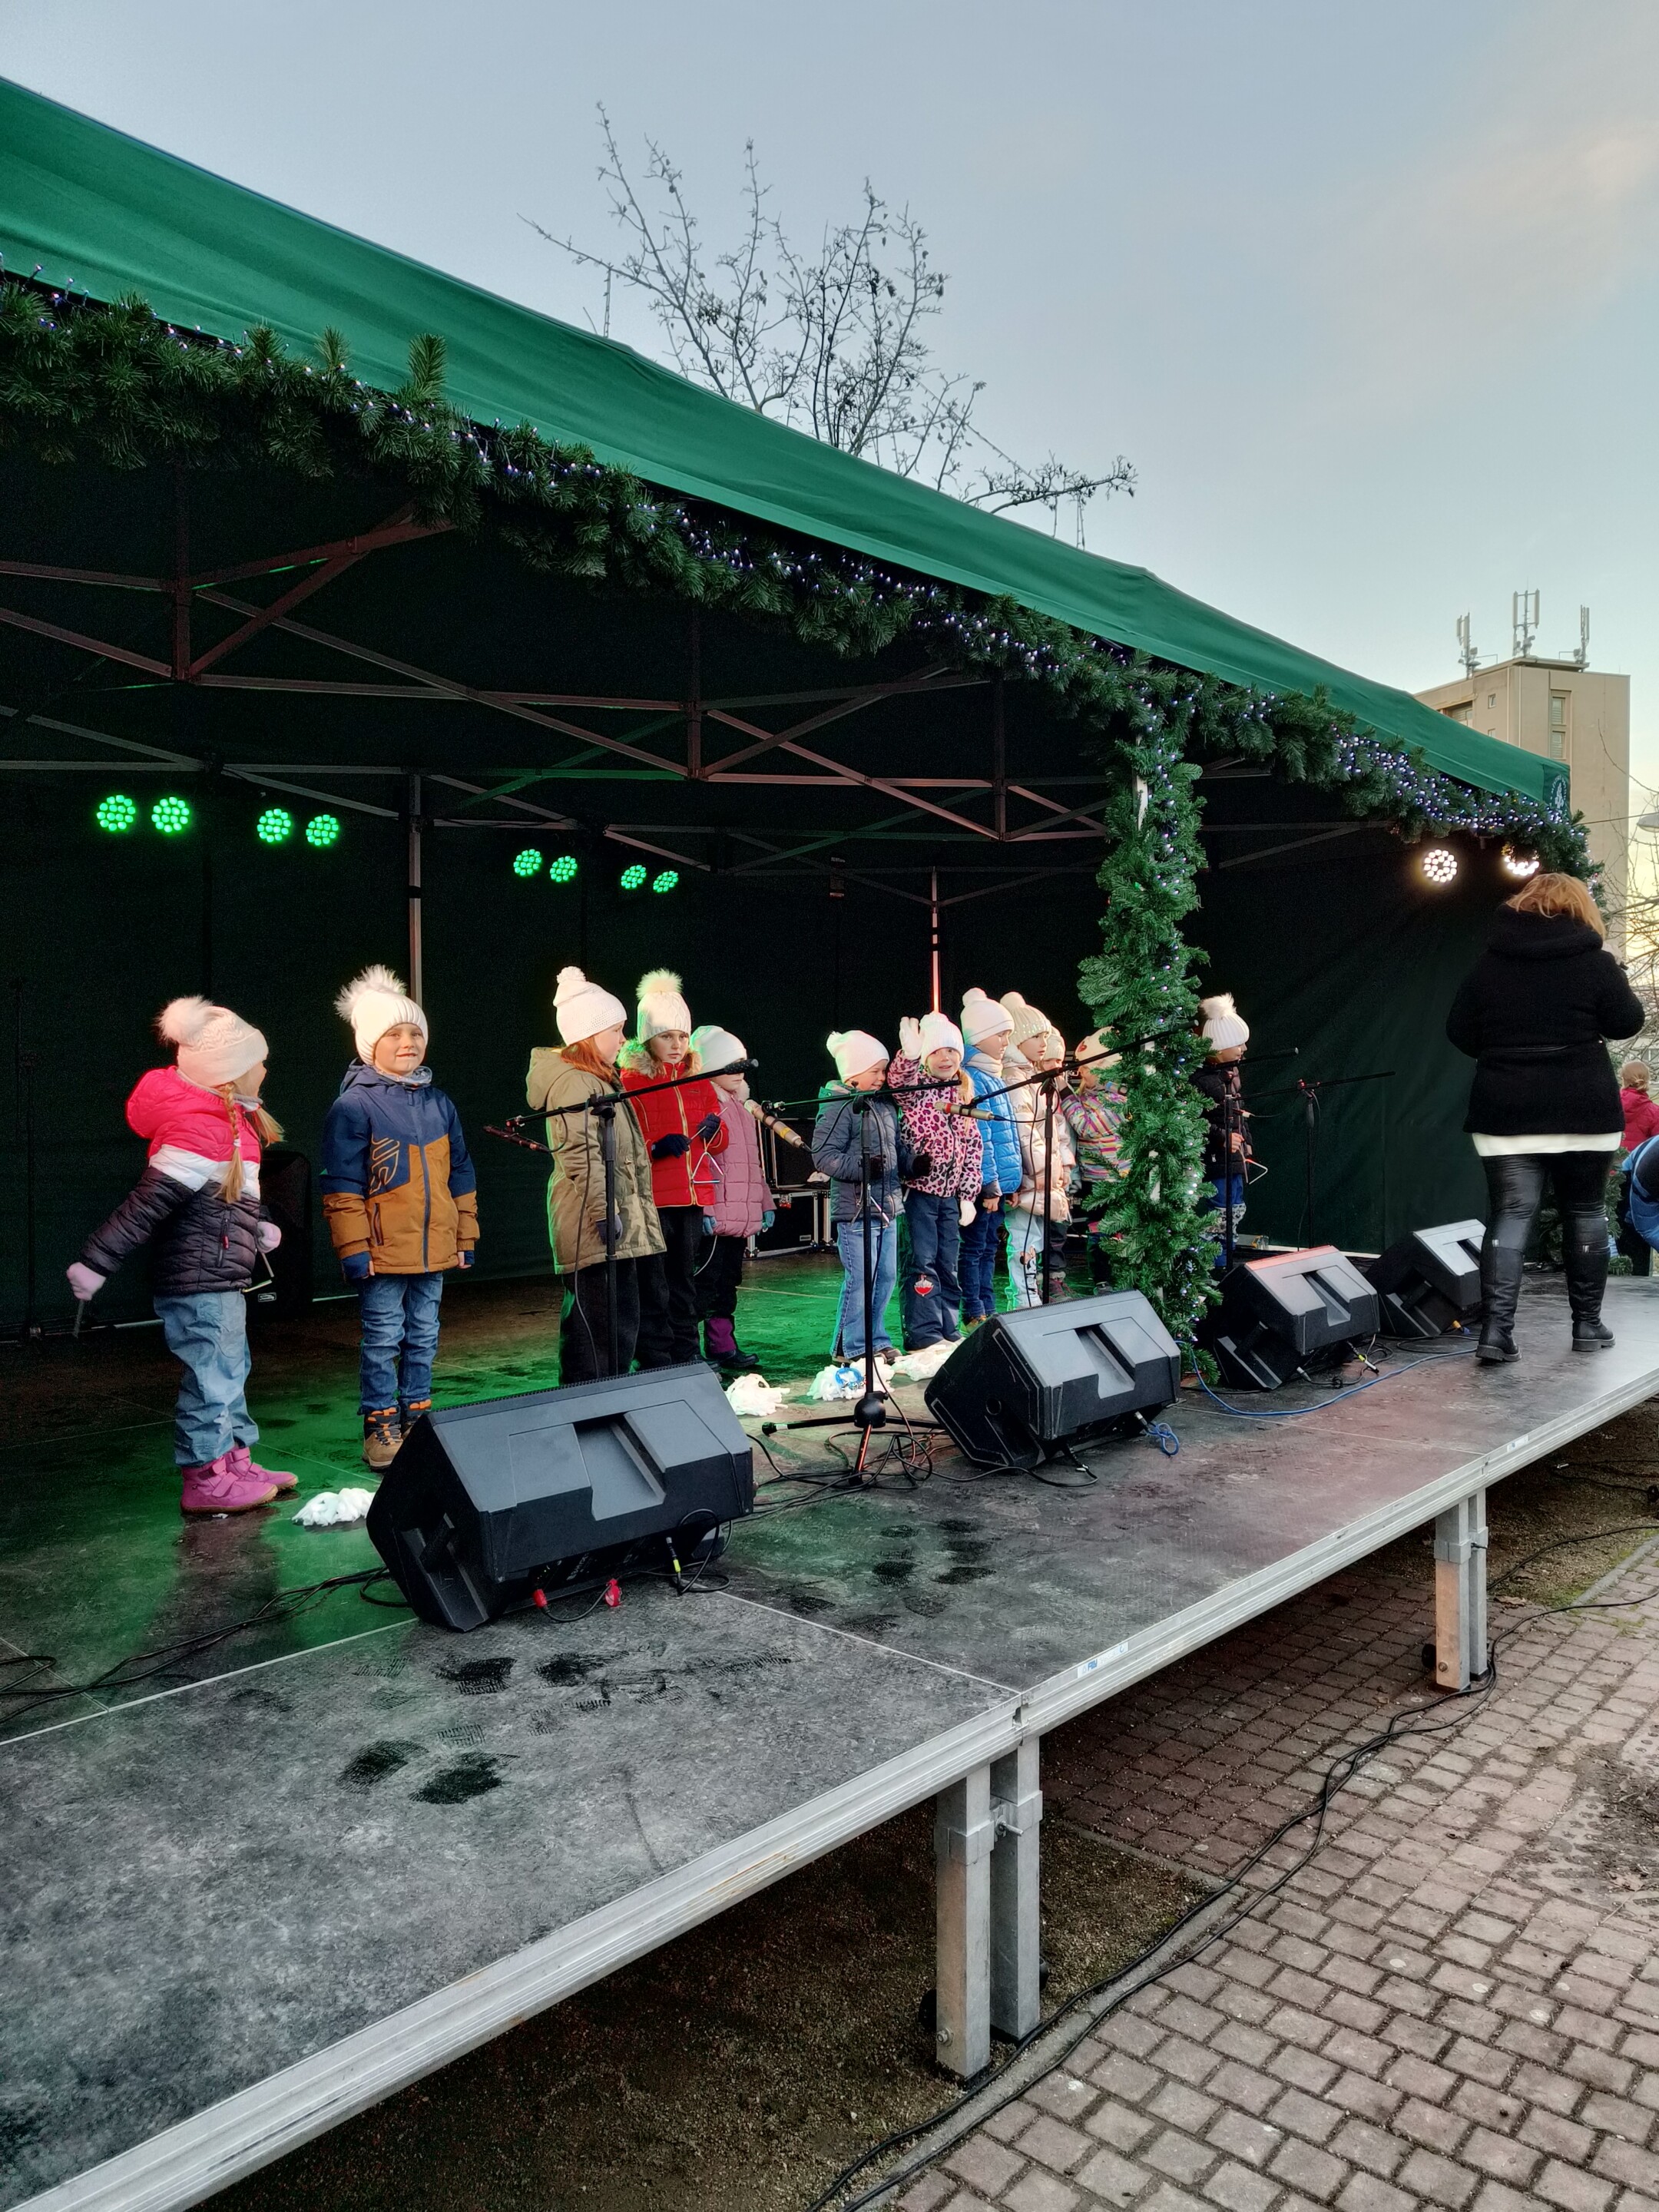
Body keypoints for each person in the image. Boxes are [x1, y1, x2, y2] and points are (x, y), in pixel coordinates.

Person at [65, 997, 293, 1514]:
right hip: (198, 1284)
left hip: (220, 1276)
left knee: (230, 1371)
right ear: (230, 1072)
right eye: (258, 1061)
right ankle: (205, 1477)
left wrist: (257, 1224)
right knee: (211, 1378)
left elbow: (225, 1198)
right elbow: (145, 1207)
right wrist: (96, 1262)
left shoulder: (232, 1123)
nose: (265, 1069)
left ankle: (235, 1461)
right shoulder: (198, 1132)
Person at [1445, 872, 1643, 1363]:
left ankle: (1496, 1333)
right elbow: (1627, 1023)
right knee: (1586, 1211)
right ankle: (1588, 1325)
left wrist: (1503, 1053)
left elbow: (1459, 1031)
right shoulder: (1596, 962)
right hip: (1584, 1106)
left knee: (1511, 1214)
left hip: (1505, 1107)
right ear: (1580, 910)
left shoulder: (1489, 965)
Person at [322, 967, 478, 1470]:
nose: (408, 1042)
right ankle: (380, 1425)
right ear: (370, 1044)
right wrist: (354, 1247)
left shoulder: (440, 1103)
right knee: (383, 1339)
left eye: (415, 1033)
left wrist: (464, 1234)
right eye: (394, 1034)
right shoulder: (354, 1105)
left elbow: (461, 1171)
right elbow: (342, 1184)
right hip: (383, 1253)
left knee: (424, 1336)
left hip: (433, 1250)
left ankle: (418, 1419)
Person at [526, 967, 664, 1384]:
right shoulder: (574, 1084)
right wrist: (606, 1212)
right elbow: (581, 1155)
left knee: (617, 1325)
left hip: (613, 1218)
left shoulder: (599, 1080)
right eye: (616, 1031)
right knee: (596, 1329)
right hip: (592, 1221)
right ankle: (588, 1403)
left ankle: (611, 1397)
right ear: (589, 1034)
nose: (623, 1040)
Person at [621, 971, 729, 1369]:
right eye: (667, 1036)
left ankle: (686, 1353)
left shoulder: (697, 1081)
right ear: (647, 1038)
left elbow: (719, 1142)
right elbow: (626, 1143)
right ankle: (655, 1357)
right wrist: (656, 1146)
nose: (677, 1045)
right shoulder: (631, 1082)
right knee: (654, 1283)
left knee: (684, 1282)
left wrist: (715, 1132)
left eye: (683, 1036)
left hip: (691, 1196)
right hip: (653, 1200)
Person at [812, 1029, 919, 1363]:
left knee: (885, 1277)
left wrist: (912, 1163)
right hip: (856, 1210)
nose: (882, 1077)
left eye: (883, 1070)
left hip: (886, 1206)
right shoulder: (838, 1106)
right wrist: (864, 1166)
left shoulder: (883, 1106)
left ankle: (876, 1338)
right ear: (853, 1073)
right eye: (876, 1071)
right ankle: (851, 1345)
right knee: (861, 1278)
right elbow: (824, 1156)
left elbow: (894, 1150)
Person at [889, 1010, 982, 1349]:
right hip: (919, 1194)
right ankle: (924, 1332)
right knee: (922, 1263)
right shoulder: (917, 1091)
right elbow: (899, 1081)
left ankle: (948, 1326)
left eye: (952, 1051)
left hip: (950, 1197)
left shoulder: (962, 1096)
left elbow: (973, 1147)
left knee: (947, 1263)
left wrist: (968, 1195)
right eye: (937, 1051)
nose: (946, 1058)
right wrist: (909, 1055)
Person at [689, 1022, 770, 1372]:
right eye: (730, 1065)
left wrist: (765, 1201)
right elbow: (699, 1163)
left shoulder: (742, 1107)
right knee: (702, 1283)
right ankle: (689, 1350)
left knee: (727, 1283)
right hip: (716, 1215)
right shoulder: (707, 1106)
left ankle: (723, 1345)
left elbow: (753, 1163)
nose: (739, 1072)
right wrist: (706, 1208)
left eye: (742, 1065)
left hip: (738, 1216)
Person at [999, 994, 1075, 1306]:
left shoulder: (1032, 1078)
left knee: (1034, 1239)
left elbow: (1054, 1128)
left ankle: (1029, 1296)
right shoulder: (1015, 1079)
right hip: (1029, 1176)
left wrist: (1062, 1167)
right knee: (1023, 1238)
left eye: (1045, 1037)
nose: (1044, 1043)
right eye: (1036, 1037)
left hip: (1041, 1175)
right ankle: (1023, 1300)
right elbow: (1024, 1132)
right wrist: (1044, 1170)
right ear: (1018, 1039)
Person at [959, 988, 1022, 1324]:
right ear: (979, 1036)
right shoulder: (973, 1078)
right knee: (974, 1249)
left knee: (987, 1249)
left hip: (998, 1185)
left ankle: (988, 1307)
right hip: (984, 1186)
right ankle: (974, 1309)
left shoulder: (994, 1076)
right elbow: (981, 1138)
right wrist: (990, 1184)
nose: (1005, 1042)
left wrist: (1011, 1182)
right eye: (1000, 1035)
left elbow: (1006, 1137)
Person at [1063, 1030, 1129, 1285]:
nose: (1081, 1072)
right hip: (1092, 1178)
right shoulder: (1086, 1096)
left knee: (1113, 1231)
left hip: (1114, 1179)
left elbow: (1086, 1127)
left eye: (1087, 1068)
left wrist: (1065, 1094)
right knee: (1097, 1231)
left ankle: (1117, 1280)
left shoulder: (1119, 1101)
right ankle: (1102, 1280)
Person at [1192, 995, 1250, 1248]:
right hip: (1216, 1160)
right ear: (1219, 1048)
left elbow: (1239, 1114)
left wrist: (1246, 1142)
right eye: (1238, 1044)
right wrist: (1222, 1137)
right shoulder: (1201, 1080)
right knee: (1220, 1208)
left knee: (1235, 1207)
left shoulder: (1230, 1077)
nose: (1243, 1049)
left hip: (1234, 1159)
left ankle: (1228, 1254)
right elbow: (1194, 1119)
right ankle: (1212, 1257)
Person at [1617, 1061, 1659, 1277]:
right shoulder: (1654, 1112)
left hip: (1613, 1178)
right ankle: (1640, 1278)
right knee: (1640, 1235)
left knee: (1614, 1233)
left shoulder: (1610, 1107)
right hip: (1643, 1180)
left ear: (1622, 1079)